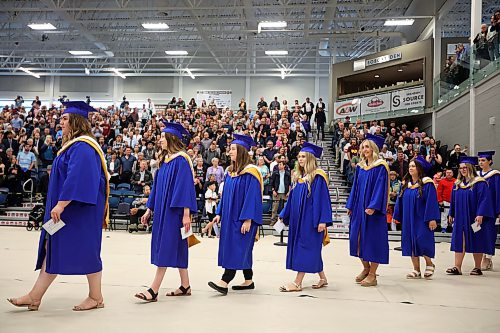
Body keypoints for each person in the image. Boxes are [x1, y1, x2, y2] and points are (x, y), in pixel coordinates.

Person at [7, 101, 109, 311]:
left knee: (84, 249)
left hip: (76, 210)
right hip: (70, 209)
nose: (60, 121)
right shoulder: (75, 145)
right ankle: (35, 296)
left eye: (64, 118)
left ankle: (95, 297)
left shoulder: (83, 146)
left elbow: (77, 178)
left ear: (76, 121)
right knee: (52, 246)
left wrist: (61, 204)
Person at [134, 122, 197, 302]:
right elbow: (156, 187)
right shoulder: (165, 161)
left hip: (175, 212)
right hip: (162, 211)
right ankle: (185, 285)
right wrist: (149, 209)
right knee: (178, 247)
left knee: (166, 246)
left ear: (171, 139)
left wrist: (186, 214)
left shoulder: (182, 160)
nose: (160, 140)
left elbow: (185, 188)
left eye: (162, 137)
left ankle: (154, 289)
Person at [207, 134, 263, 295]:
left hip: (242, 219)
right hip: (229, 217)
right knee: (241, 248)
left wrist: (248, 219)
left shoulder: (251, 173)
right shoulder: (230, 172)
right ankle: (249, 280)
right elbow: (225, 196)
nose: (229, 151)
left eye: (233, 149)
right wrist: (219, 213)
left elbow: (252, 197)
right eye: (230, 148)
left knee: (237, 248)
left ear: (241, 151)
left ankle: (225, 281)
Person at [278, 142, 333, 292]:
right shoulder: (298, 177)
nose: (300, 159)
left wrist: (323, 220)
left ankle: (297, 282)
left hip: (311, 221)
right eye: (299, 156)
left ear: (310, 158)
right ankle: (322, 278)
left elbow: (323, 199)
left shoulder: (318, 176)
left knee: (306, 248)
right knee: (311, 250)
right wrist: (283, 215)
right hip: (298, 220)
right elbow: (291, 200)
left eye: (303, 156)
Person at [346, 134, 389, 287]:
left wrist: (373, 205)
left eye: (367, 147)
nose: (364, 149)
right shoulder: (361, 167)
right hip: (358, 208)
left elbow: (380, 187)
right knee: (356, 238)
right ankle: (366, 268)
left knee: (373, 241)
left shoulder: (381, 166)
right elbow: (355, 187)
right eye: (363, 147)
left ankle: (372, 275)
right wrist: (350, 205)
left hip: (372, 211)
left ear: (373, 149)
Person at [446, 156, 495, 276]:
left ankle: (477, 267)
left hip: (474, 218)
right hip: (460, 218)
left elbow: (484, 199)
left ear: (471, 168)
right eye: (461, 168)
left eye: (465, 168)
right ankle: (457, 267)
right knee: (459, 240)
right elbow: (453, 201)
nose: (463, 170)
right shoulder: (457, 184)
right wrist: (451, 213)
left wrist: (480, 214)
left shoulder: (479, 183)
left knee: (477, 239)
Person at [393, 156, 440, 279]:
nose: (410, 168)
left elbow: (431, 201)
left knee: (421, 240)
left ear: (419, 168)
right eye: (409, 166)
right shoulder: (406, 184)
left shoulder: (426, 183)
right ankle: (416, 269)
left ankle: (429, 263)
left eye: (413, 166)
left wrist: (432, 218)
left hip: (422, 218)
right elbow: (400, 200)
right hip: (408, 218)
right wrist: (396, 215)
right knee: (410, 242)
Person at [477, 151, 499, 271]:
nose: (481, 162)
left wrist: (498, 211)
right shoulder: (476, 175)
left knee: (489, 234)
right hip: (478, 210)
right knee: (479, 233)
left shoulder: (495, 175)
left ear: (490, 161)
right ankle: (481, 256)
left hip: (490, 210)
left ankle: (488, 258)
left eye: (483, 160)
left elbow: (498, 194)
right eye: (480, 160)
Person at [437, 168, 456, 232]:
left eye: (450, 172)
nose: (449, 174)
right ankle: (443, 228)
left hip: (454, 201)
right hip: (445, 201)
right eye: (447, 172)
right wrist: (440, 201)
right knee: (444, 215)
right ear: (445, 173)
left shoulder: (456, 181)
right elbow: (439, 192)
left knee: (455, 215)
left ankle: (454, 228)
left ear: (453, 173)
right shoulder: (442, 181)